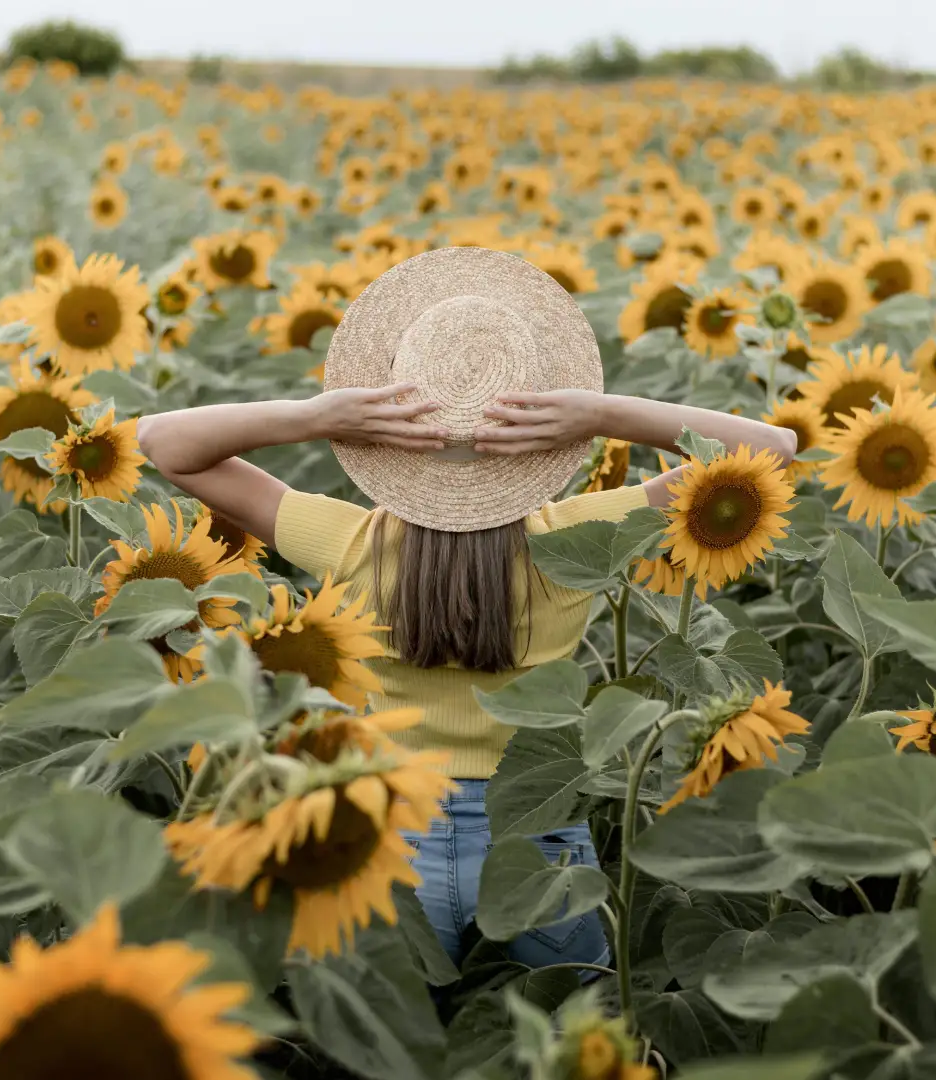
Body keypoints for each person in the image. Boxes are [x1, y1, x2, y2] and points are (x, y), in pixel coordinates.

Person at [135, 247, 794, 970]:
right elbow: (772, 449)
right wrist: (600, 414)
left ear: (391, 441)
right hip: (538, 845)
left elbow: (164, 443)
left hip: (392, 840)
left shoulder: (349, 544)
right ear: (539, 441)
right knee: (564, 1014)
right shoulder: (580, 540)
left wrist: (316, 416)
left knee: (409, 1029)